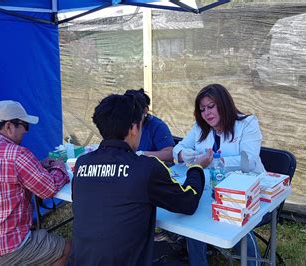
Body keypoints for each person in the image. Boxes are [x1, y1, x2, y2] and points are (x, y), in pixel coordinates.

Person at [71, 94, 211, 265]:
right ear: (134, 128)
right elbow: (188, 202)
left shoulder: (82, 163)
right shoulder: (146, 167)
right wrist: (196, 168)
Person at [0, 100, 71, 266]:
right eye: (25, 125)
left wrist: (38, 166)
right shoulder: (16, 154)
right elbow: (48, 189)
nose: (26, 131)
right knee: (65, 249)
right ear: (9, 127)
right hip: (2, 248)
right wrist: (59, 166)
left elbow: (3, 176)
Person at [172, 84, 265, 266]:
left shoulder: (247, 124)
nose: (207, 113)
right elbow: (178, 149)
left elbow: (249, 161)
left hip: (244, 189)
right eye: (202, 109)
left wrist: (212, 161)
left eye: (211, 106)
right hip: (210, 187)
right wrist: (185, 155)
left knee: (236, 219)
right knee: (193, 217)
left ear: (223, 104)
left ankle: (254, 263)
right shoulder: (200, 128)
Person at [124, 88, 175, 162]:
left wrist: (143, 154)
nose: (131, 117)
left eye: (135, 113)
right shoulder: (121, 122)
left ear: (145, 111)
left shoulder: (157, 126)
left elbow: (170, 154)